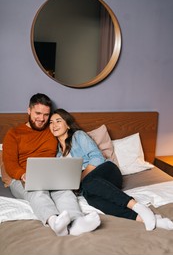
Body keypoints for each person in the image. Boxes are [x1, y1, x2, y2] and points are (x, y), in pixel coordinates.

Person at [49, 108, 173, 231]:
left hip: (108, 171)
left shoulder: (78, 136)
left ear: (68, 125)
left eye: (58, 121)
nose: (54, 125)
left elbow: (97, 157)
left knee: (88, 183)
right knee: (92, 200)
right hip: (90, 186)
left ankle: (137, 205)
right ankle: (149, 219)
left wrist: (80, 179)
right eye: (51, 122)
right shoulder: (58, 154)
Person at [2, 93, 101, 236]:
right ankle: (54, 222)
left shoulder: (51, 130)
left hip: (49, 176)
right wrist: (22, 174)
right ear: (29, 110)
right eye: (38, 113)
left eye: (46, 115)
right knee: (37, 192)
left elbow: (68, 144)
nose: (41, 119)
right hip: (21, 177)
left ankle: (77, 222)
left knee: (65, 192)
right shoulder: (14, 133)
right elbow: (9, 163)